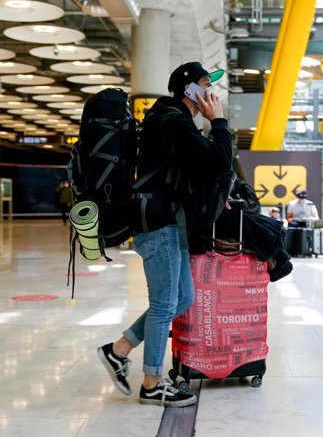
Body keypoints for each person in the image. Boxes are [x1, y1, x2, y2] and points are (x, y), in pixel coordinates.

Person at [97, 62, 232, 407]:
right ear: (188, 89)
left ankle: (119, 350)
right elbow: (219, 160)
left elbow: (192, 172)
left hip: (172, 223)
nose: (210, 91)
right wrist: (217, 121)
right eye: (205, 83)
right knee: (163, 305)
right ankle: (153, 382)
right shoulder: (172, 120)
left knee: (181, 298)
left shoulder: (175, 121)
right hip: (159, 224)